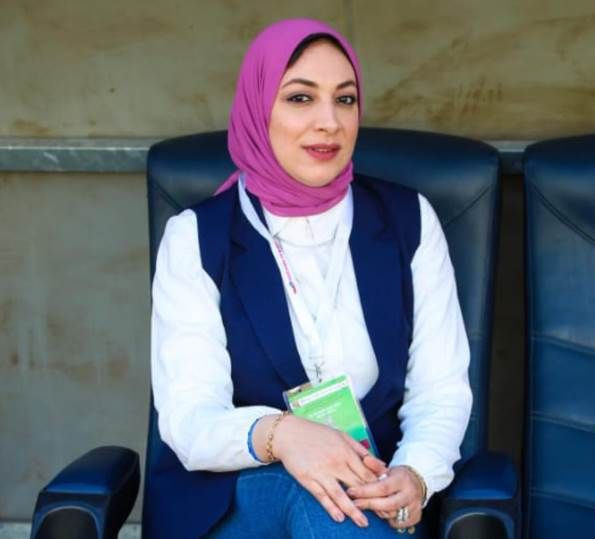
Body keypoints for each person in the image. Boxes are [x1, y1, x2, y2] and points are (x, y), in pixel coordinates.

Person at [149, 18, 472, 538]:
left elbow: (441, 389)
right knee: (325, 493)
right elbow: (189, 419)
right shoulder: (197, 238)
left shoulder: (408, 219)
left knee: (341, 499)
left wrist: (415, 474)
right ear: (259, 109)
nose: (329, 122)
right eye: (300, 98)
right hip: (234, 501)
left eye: (345, 100)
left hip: (376, 498)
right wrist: (286, 436)